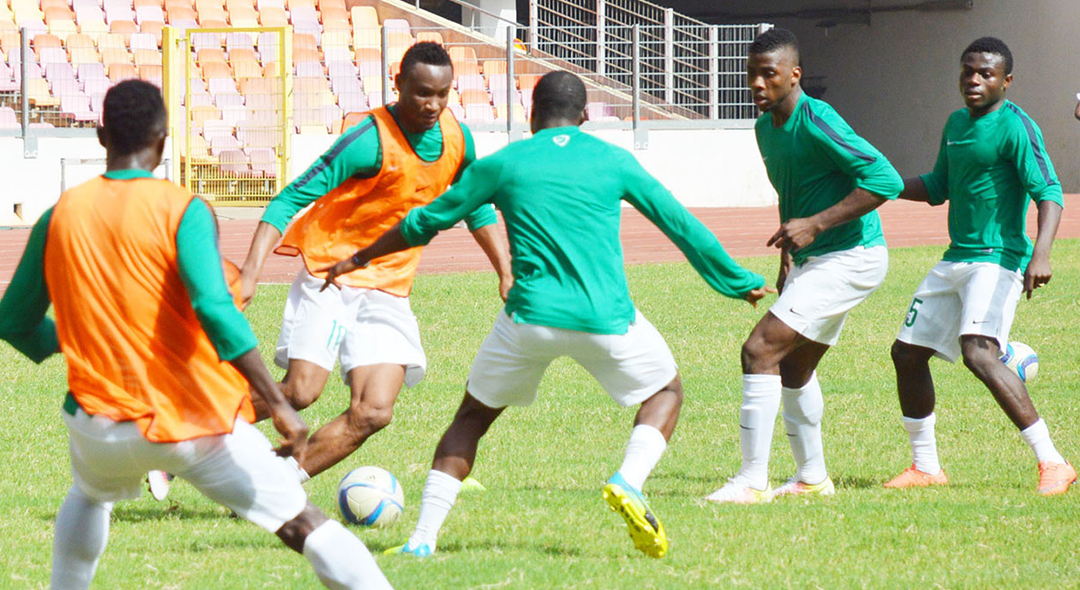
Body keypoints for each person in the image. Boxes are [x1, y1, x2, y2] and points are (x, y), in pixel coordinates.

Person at [318, 71, 772, 559]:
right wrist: (736, 280)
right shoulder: (613, 159)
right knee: (665, 392)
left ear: (532, 116)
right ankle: (629, 481)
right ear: (584, 118)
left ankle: (422, 540)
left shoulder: (505, 163)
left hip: (528, 319)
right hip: (606, 319)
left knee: (471, 419)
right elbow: (678, 222)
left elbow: (425, 221)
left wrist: (359, 257)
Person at [0, 80, 392, 590]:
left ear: (101, 136)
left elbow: (12, 320)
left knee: (89, 495)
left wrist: (71, 339)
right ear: (163, 140)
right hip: (192, 424)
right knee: (301, 522)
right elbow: (214, 308)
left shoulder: (59, 215)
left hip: (98, 427)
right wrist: (278, 404)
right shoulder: (183, 210)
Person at [238, 42, 512, 484]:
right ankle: (186, 428)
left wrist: (505, 271)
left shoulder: (458, 140)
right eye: (422, 92)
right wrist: (251, 272)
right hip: (332, 277)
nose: (434, 104)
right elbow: (290, 197)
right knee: (301, 391)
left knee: (374, 411)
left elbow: (475, 206)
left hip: (389, 289)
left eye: (443, 94)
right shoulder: (368, 139)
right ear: (398, 83)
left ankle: (271, 483)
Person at [706, 28, 903, 504]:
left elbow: (886, 178)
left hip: (853, 257)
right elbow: (791, 192)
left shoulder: (819, 120)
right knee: (794, 366)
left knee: (759, 350)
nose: (757, 83)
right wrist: (787, 255)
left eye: (768, 74)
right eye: (752, 73)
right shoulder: (763, 127)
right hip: (815, 261)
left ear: (794, 75)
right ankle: (812, 478)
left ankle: (751, 480)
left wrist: (815, 224)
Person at [886, 37, 1074, 494]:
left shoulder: (1016, 126)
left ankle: (1054, 462)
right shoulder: (955, 123)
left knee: (978, 352)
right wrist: (882, 182)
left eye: (986, 73)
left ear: (1006, 81)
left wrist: (1041, 253)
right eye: (968, 71)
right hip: (956, 258)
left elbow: (1048, 192)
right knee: (906, 353)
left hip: (998, 260)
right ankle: (926, 467)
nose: (974, 80)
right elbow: (937, 186)